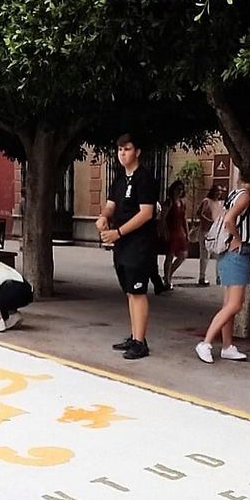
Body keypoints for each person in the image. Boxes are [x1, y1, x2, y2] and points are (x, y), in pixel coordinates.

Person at [98, 134, 159, 360]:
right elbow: (111, 206)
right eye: (120, 149)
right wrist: (103, 217)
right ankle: (135, 336)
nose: (122, 153)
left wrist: (119, 232)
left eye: (127, 149)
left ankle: (141, 342)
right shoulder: (120, 179)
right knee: (129, 292)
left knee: (138, 291)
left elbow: (146, 213)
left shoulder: (145, 179)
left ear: (137, 151)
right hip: (121, 245)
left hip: (139, 244)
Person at [194, 168, 250, 365]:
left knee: (229, 304)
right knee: (235, 304)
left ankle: (228, 346)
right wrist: (237, 239)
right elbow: (229, 220)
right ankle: (206, 343)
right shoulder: (245, 197)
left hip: (226, 253)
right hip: (237, 253)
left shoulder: (233, 194)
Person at [160, 180, 189, 288]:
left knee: (183, 254)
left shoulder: (181, 203)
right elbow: (163, 218)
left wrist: (187, 232)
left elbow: (184, 218)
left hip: (179, 231)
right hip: (171, 230)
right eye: (178, 189)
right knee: (170, 255)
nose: (180, 191)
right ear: (173, 189)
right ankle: (167, 280)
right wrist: (164, 231)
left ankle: (169, 274)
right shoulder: (169, 202)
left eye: (181, 189)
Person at [195, 184, 224, 287]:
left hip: (216, 232)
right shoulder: (207, 201)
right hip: (205, 231)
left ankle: (219, 277)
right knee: (204, 255)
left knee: (219, 255)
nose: (219, 193)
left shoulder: (221, 203)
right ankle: (202, 277)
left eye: (220, 191)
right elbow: (199, 213)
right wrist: (209, 221)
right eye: (217, 190)